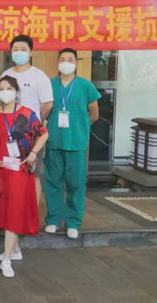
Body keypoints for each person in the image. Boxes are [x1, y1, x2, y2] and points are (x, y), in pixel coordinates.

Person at [0, 76, 48, 278]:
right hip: (0, 170)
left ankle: (6, 259)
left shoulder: (27, 114)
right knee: (5, 210)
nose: (5, 92)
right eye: (1, 88)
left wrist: (34, 153)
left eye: (9, 88)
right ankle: (15, 250)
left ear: (17, 91)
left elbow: (43, 134)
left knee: (14, 211)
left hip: (19, 170)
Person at [44, 48, 101, 240]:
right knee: (52, 183)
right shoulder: (49, 84)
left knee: (76, 184)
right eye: (62, 59)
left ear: (76, 63)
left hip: (76, 143)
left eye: (70, 59)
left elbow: (94, 114)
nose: (66, 62)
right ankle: (53, 220)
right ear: (57, 62)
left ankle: (73, 222)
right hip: (54, 141)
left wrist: (80, 128)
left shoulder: (85, 86)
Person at [1, 34, 53, 203]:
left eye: (23, 49)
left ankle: (32, 213)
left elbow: (47, 104)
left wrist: (33, 122)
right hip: (9, 133)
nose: (19, 52)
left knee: (33, 174)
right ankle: (13, 211)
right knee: (10, 173)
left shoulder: (39, 76)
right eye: (15, 49)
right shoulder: (6, 74)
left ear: (31, 52)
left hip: (31, 134)